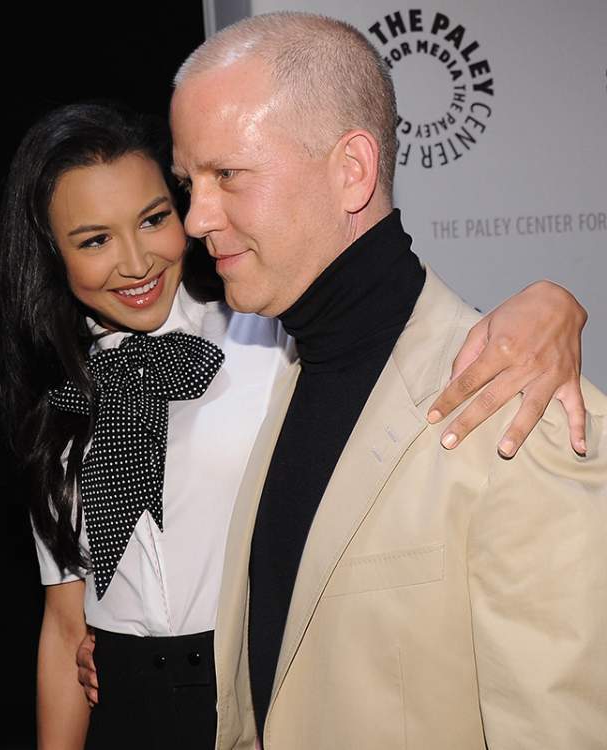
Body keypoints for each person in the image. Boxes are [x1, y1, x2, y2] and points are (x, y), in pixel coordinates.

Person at [0, 101, 593, 748]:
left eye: (154, 219)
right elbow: (62, 626)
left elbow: (409, 334)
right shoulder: (54, 405)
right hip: (123, 700)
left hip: (246, 684)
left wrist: (553, 304)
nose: (135, 261)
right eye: (94, 240)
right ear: (53, 254)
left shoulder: (266, 333)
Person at [166, 12, 607, 748]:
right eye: (189, 182)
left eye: (227, 176)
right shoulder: (267, 372)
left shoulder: (521, 408)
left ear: (353, 170)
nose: (195, 217)